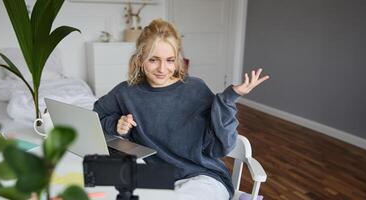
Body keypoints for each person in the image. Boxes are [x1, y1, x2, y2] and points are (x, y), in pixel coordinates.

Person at [93, 19, 269, 200]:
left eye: (169, 60)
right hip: (154, 176)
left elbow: (223, 146)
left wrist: (229, 98)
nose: (162, 69)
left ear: (177, 59)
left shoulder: (196, 89)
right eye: (153, 60)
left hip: (202, 176)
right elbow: (96, 116)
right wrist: (116, 124)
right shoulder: (126, 92)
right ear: (139, 59)